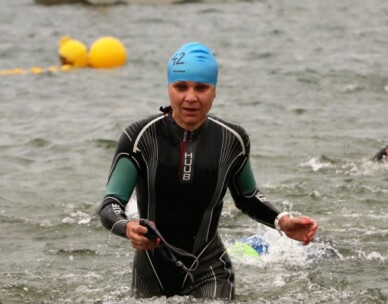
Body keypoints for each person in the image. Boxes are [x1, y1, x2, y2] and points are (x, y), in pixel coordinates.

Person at [97, 42, 318, 300]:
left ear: (214, 91)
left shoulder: (232, 139)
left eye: (201, 87)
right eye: (181, 87)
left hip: (211, 269)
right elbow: (110, 204)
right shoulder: (140, 137)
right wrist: (126, 227)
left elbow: (247, 197)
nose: (191, 97)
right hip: (151, 272)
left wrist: (281, 221)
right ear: (169, 89)